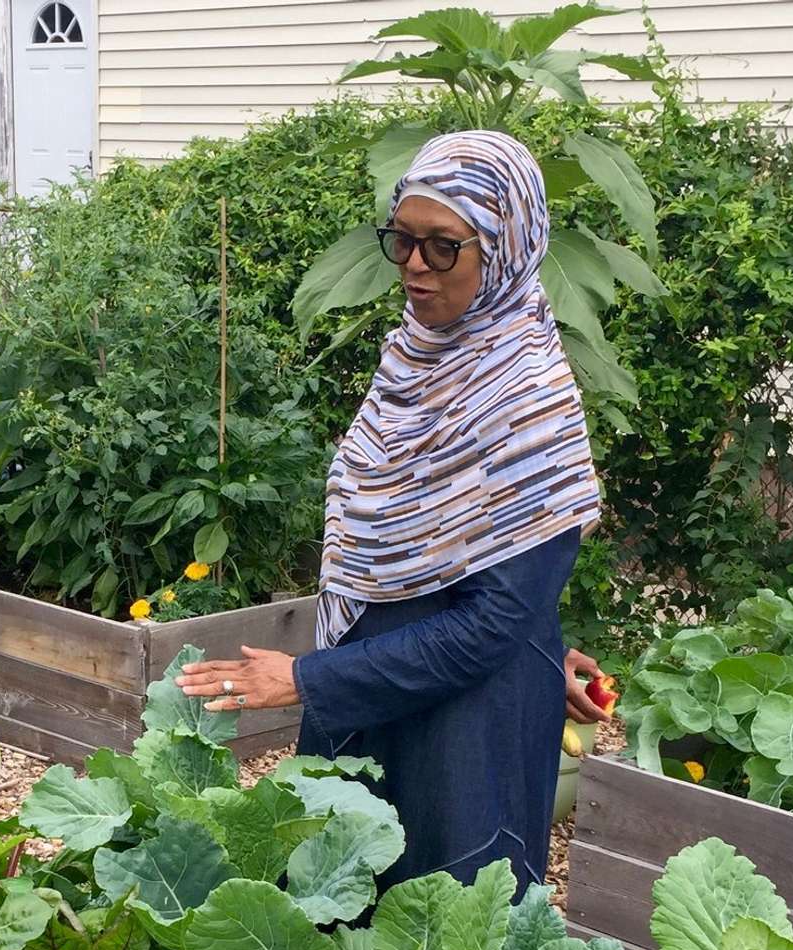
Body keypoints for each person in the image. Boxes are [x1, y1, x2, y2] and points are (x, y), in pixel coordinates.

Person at [176, 131, 612, 894]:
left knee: (436, 949)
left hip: (459, 737)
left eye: (443, 247)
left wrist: (309, 682)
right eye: (402, 240)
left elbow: (490, 620)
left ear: (505, 248)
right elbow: (470, 548)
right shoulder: (416, 360)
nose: (414, 265)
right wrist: (547, 642)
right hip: (377, 694)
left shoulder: (528, 399)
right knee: (333, 929)